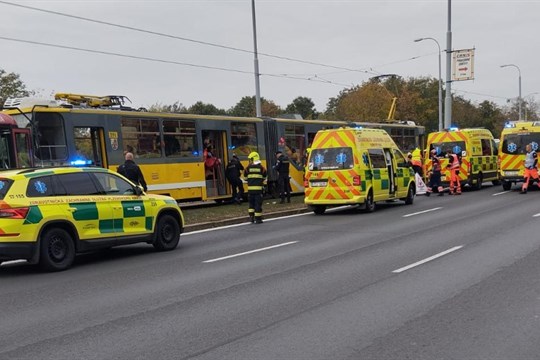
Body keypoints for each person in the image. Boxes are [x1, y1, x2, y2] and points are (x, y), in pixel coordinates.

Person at [244, 151, 267, 224]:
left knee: (251, 204)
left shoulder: (247, 168)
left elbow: (245, 178)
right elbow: (265, 177)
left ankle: (251, 217)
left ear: (252, 159)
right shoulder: (262, 168)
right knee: (258, 204)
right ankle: (258, 219)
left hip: (250, 190)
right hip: (258, 190)